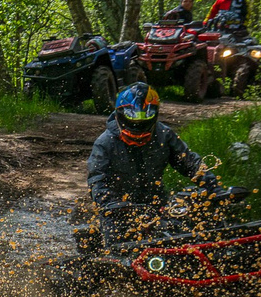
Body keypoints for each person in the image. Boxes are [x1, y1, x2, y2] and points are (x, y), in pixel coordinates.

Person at [87, 84, 215, 246]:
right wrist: (108, 203)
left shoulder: (164, 135)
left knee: (189, 231)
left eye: (144, 117)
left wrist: (212, 186)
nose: (138, 123)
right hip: (118, 210)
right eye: (134, 117)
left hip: (158, 205)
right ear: (121, 114)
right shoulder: (104, 143)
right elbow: (97, 179)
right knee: (117, 246)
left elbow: (189, 163)